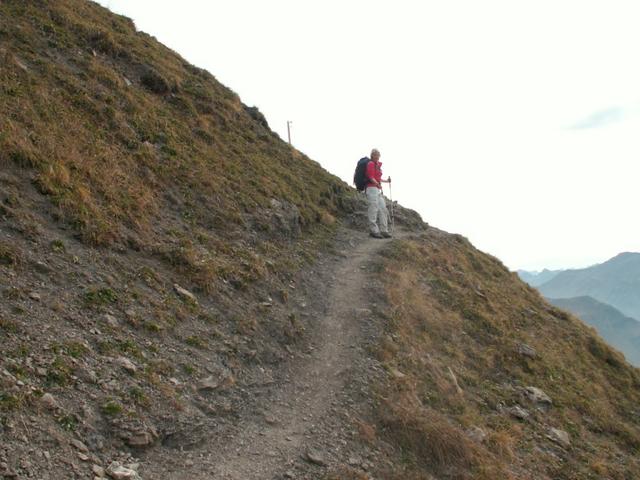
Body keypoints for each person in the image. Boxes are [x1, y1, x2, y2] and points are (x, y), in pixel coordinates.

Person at [365, 149, 392, 238]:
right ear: (372, 155)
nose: (377, 157)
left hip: (376, 189)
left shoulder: (377, 165)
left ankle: (384, 230)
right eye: (375, 155)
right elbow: (371, 177)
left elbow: (377, 178)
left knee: (383, 208)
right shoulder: (371, 164)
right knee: (373, 208)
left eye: (378, 155)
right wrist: (377, 184)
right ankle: (374, 230)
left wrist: (386, 181)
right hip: (371, 188)